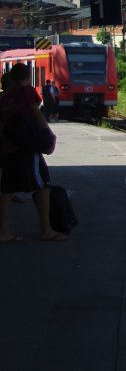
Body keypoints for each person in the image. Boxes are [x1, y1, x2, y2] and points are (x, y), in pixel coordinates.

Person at [0, 63, 66, 242]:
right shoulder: (27, 92)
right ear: (28, 76)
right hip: (27, 148)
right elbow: (36, 113)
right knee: (44, 184)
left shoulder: (5, 98)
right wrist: (49, 135)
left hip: (9, 149)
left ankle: (3, 231)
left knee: (7, 189)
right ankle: (46, 230)